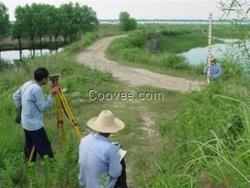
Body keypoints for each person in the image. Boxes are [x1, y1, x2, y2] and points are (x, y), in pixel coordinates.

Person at [13, 67, 58, 162]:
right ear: (44, 79)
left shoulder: (27, 84)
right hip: (35, 126)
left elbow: (15, 96)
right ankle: (51, 167)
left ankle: (29, 163)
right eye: (47, 78)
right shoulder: (37, 89)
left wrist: (24, 107)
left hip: (25, 123)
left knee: (30, 145)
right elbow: (43, 108)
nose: (48, 80)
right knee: (44, 147)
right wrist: (51, 95)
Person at [78, 110, 128, 188]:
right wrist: (116, 157)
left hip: (85, 183)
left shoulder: (84, 140)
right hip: (101, 185)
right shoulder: (110, 149)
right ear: (110, 131)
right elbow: (115, 173)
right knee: (120, 163)